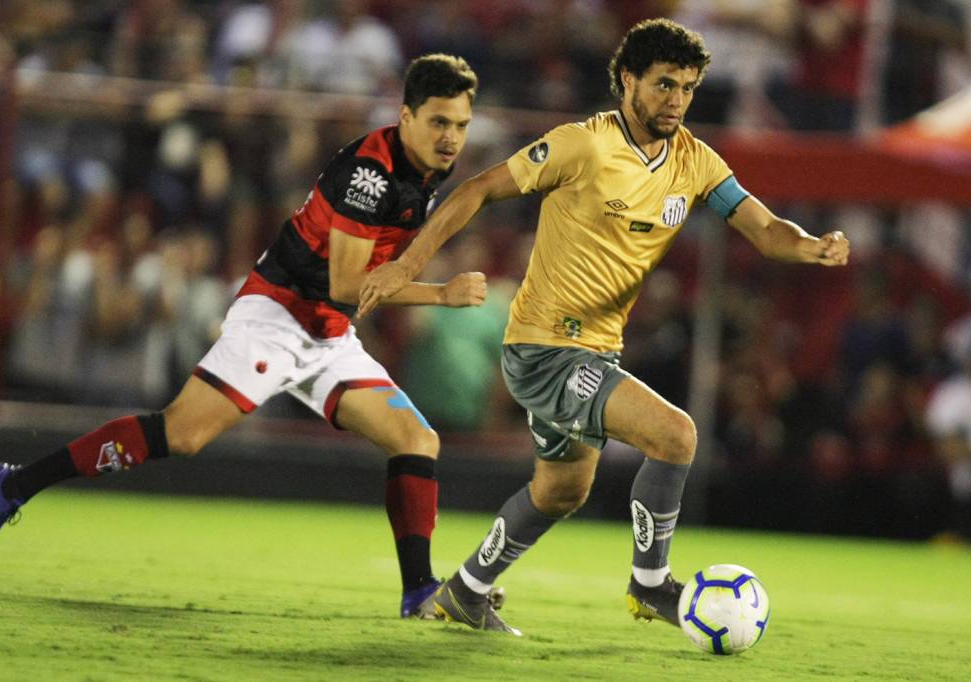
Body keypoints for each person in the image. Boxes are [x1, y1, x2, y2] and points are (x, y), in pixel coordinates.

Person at [358, 19, 850, 636]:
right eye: (664, 84)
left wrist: (812, 247)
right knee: (675, 435)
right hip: (544, 350)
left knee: (561, 491)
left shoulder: (696, 162)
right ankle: (650, 586)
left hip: (593, 353)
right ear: (627, 81)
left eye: (689, 87)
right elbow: (479, 189)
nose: (676, 100)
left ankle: (466, 590)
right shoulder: (582, 145)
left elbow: (764, 227)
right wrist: (406, 262)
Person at [0, 54, 486, 620]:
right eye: (438, 122)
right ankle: (11, 486)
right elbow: (344, 284)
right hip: (280, 315)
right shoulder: (370, 174)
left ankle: (418, 591)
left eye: (460, 124)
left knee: (416, 440)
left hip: (328, 334)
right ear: (405, 116)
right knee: (183, 435)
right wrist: (441, 292)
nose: (451, 137)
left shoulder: (432, 167)